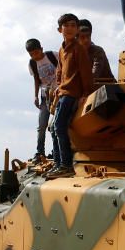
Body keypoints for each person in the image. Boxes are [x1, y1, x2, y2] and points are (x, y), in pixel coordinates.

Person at [48, 13, 93, 178]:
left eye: (73, 25)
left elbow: (86, 73)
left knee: (59, 126)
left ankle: (66, 165)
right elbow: (59, 72)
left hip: (73, 94)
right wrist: (58, 88)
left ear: (77, 29)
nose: (69, 28)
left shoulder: (78, 48)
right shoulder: (61, 49)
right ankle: (58, 164)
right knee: (53, 128)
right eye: (66, 25)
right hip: (63, 93)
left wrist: (86, 93)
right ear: (60, 29)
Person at [27, 38, 59, 164]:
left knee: (56, 125)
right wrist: (35, 96)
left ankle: (57, 151)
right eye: (31, 54)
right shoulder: (32, 63)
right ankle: (40, 151)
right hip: (45, 96)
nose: (35, 56)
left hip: (59, 93)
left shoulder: (53, 56)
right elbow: (36, 79)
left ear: (41, 49)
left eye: (36, 53)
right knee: (42, 126)